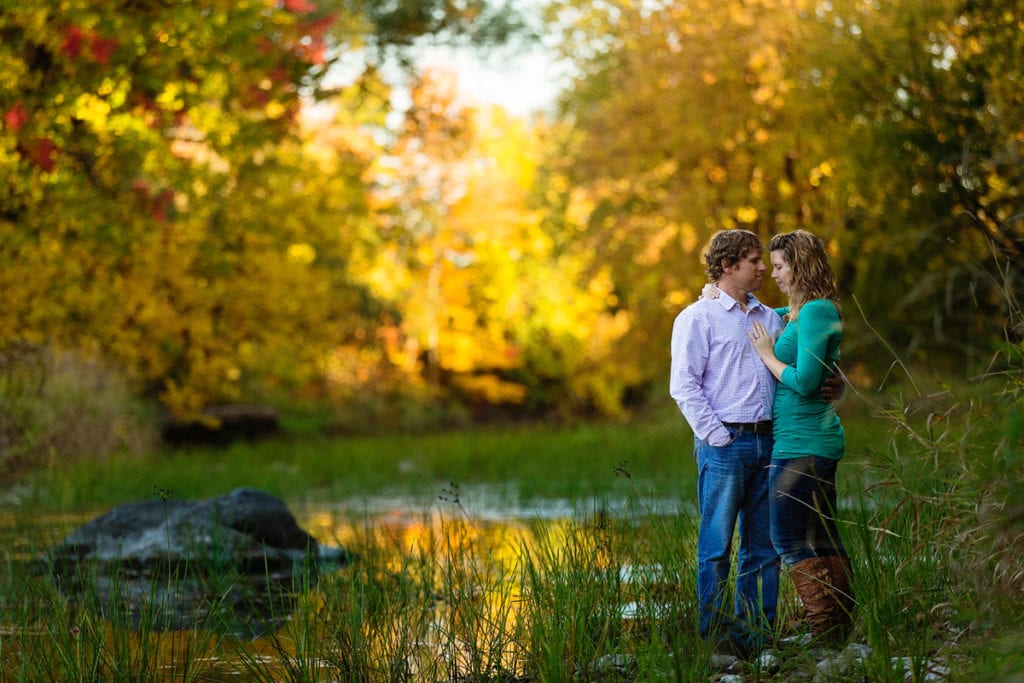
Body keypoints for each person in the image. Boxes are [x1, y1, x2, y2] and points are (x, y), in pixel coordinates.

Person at [670, 229, 783, 656]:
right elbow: (684, 386)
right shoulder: (697, 318)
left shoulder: (770, 317)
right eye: (753, 260)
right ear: (727, 266)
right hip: (724, 445)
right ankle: (717, 640)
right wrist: (719, 438)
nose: (761, 268)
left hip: (770, 443)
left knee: (763, 548)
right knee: (716, 547)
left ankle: (756, 639)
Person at [747, 229, 854, 644]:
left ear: (800, 265)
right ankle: (840, 628)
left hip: (805, 442)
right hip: (803, 440)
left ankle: (825, 629)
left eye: (779, 265)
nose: (772, 273)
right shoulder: (800, 313)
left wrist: (768, 356)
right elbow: (761, 312)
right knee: (822, 535)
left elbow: (808, 382)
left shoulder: (816, 311)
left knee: (787, 537)